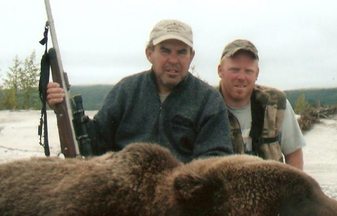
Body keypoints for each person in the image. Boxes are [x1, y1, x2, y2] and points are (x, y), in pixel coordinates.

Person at [47, 19, 233, 163]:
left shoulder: (209, 100)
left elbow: (215, 158)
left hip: (180, 197)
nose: (173, 60)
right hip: (124, 191)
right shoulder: (126, 91)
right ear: (149, 53)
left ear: (191, 56)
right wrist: (64, 107)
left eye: (182, 52)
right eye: (165, 51)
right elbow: (97, 142)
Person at [217, 39, 306, 169]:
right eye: (234, 70)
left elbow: (294, 154)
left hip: (272, 187)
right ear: (220, 70)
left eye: (248, 71)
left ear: (257, 73)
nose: (241, 77)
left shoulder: (277, 104)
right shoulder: (205, 104)